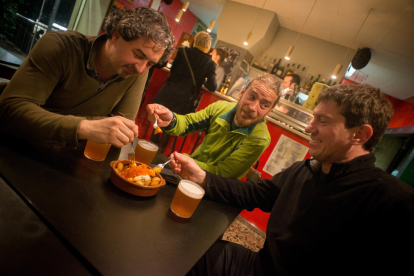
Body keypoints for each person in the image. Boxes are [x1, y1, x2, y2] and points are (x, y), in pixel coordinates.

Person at [169, 83, 414, 276]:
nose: (309, 128)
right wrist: (201, 177)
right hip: (257, 266)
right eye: (314, 117)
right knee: (190, 253)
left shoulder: (391, 200)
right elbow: (254, 193)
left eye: (323, 120)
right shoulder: (305, 169)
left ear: (360, 134)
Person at [0, 7, 174, 148]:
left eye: (150, 64)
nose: (141, 68)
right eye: (138, 54)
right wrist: (84, 127)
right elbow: (10, 109)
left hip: (66, 162)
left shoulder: (136, 71)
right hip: (16, 147)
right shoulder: (61, 46)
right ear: (116, 36)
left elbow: (121, 127)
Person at [147, 73, 281, 179]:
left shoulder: (259, 139)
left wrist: (187, 160)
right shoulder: (221, 108)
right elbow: (188, 122)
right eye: (252, 96)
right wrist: (171, 119)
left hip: (214, 189)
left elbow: (222, 173)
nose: (253, 107)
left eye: (264, 105)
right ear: (242, 92)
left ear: (269, 111)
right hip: (185, 174)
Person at [151, 31, 217, 152]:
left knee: (159, 120)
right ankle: (159, 150)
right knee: (171, 124)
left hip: (169, 91)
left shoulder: (183, 52)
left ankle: (149, 148)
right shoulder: (210, 63)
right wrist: (203, 81)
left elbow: (173, 69)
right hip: (185, 99)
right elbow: (213, 86)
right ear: (208, 46)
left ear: (195, 41)